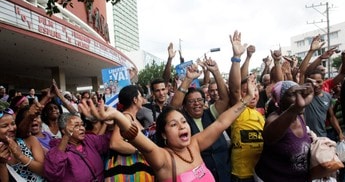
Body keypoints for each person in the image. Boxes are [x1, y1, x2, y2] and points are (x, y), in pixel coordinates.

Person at [79, 72, 256, 182]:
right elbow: (135, 137)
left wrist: (247, 98)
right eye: (173, 124)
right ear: (163, 134)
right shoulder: (162, 158)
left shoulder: (195, 145)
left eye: (183, 121)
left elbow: (221, 122)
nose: (181, 126)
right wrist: (117, 116)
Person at [170, 59, 231, 182]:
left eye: (199, 100)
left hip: (224, 174)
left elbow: (225, 98)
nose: (196, 104)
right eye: (191, 101)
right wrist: (188, 79)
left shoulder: (212, 113)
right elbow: (173, 108)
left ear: (204, 102)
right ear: (185, 106)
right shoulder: (183, 121)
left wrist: (216, 72)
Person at [254, 81, 313, 181]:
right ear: (280, 100)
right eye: (293, 94)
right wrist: (295, 108)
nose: (299, 98)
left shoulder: (300, 116)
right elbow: (269, 138)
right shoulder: (273, 119)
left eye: (300, 93)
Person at [228, 30, 267, 181]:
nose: (253, 94)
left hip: (261, 173)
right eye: (247, 92)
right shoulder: (238, 110)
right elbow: (235, 87)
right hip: (242, 176)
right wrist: (237, 58)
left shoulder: (260, 115)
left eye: (255, 90)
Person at [104, 85, 154, 181]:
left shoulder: (133, 118)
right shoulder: (125, 118)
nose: (143, 99)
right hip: (127, 174)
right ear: (135, 100)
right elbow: (115, 143)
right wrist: (141, 148)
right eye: (140, 96)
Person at [44, 112, 112, 181]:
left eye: (82, 125)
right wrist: (67, 136)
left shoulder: (89, 139)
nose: (82, 128)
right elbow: (53, 172)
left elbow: (109, 142)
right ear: (64, 130)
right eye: (76, 126)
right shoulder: (58, 150)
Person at [0, 106, 46, 181]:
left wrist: (20, 156)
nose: (12, 128)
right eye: (5, 126)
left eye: (13, 123)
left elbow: (43, 171)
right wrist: (2, 164)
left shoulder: (29, 140)